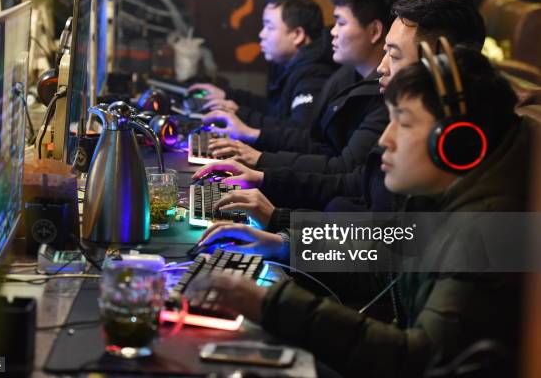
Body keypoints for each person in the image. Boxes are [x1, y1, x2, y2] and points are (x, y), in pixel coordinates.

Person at [188, 46, 533, 377]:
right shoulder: (452, 196)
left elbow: (417, 360)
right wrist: (282, 243)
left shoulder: (486, 235)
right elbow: (384, 249)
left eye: (405, 123)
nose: (385, 139)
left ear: (457, 144)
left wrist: (272, 303)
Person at [191, 0, 488, 222]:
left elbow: (380, 262)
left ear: (438, 62)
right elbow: (357, 186)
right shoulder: (353, 81)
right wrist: (271, 197)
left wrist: (280, 227)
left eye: (395, 55)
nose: (383, 68)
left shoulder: (460, 166)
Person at [201, 0, 405, 172]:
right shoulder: (345, 76)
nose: (332, 31)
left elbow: (341, 167)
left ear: (375, 31)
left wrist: (260, 157)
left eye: (341, 23)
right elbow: (315, 141)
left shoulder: (380, 94)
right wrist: (239, 112)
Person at [189, 0, 335, 129]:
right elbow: (276, 112)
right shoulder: (290, 64)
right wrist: (227, 96)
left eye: (269, 27)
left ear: (297, 35)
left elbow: (299, 133)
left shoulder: (314, 74)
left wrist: (240, 115)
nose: (261, 34)